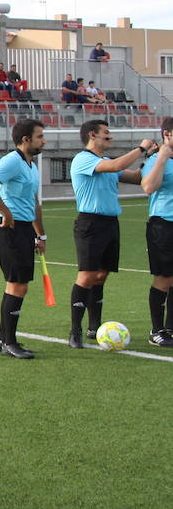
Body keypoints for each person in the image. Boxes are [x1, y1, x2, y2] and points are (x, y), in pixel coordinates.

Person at [68, 120, 154, 348]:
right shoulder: (83, 159)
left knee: (102, 275)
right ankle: (74, 331)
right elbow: (116, 167)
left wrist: (150, 159)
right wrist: (141, 149)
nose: (110, 137)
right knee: (86, 276)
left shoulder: (106, 162)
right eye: (106, 133)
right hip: (90, 224)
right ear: (92, 135)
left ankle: (93, 327)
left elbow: (136, 178)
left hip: (110, 224)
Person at [0, 119, 47, 359]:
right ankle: (9, 341)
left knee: (16, 286)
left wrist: (41, 234)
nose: (44, 140)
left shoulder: (31, 165)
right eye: (39, 136)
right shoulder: (11, 161)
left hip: (25, 230)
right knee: (18, 286)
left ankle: (2, 339)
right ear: (25, 139)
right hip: (9, 230)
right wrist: (5, 212)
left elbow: (34, 203)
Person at [140, 118, 173, 348]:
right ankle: (156, 330)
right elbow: (149, 187)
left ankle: (170, 328)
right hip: (163, 225)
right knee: (164, 278)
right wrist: (162, 157)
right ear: (167, 134)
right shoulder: (155, 159)